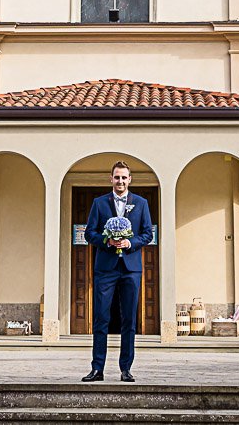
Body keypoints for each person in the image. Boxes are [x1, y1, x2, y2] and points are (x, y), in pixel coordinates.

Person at [82, 161, 153, 383]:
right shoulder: (99, 203)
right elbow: (89, 234)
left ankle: (126, 369)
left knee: (128, 319)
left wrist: (130, 243)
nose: (120, 181)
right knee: (101, 317)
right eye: (117, 177)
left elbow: (147, 234)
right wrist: (107, 240)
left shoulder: (141, 204)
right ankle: (97, 369)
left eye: (124, 177)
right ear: (110, 179)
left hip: (131, 269)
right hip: (106, 269)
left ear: (130, 180)